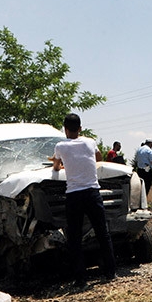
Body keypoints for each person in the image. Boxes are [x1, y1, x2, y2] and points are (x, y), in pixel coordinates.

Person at [52, 113, 116, 287]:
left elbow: (56, 166)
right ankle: (110, 272)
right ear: (80, 128)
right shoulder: (90, 142)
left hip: (74, 195)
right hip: (93, 193)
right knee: (103, 232)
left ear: (65, 129)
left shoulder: (60, 146)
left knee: (75, 237)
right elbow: (99, 158)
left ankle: (80, 278)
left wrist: (66, 164)